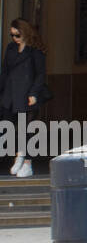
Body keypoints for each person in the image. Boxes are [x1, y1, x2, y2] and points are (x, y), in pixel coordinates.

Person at [0, 19, 48, 177]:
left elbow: (40, 74)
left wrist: (34, 93)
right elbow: (5, 71)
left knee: (27, 129)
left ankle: (28, 162)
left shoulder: (35, 50)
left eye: (18, 35)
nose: (15, 38)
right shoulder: (11, 48)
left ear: (25, 32)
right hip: (10, 94)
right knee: (11, 128)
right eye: (12, 35)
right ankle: (19, 155)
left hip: (27, 95)